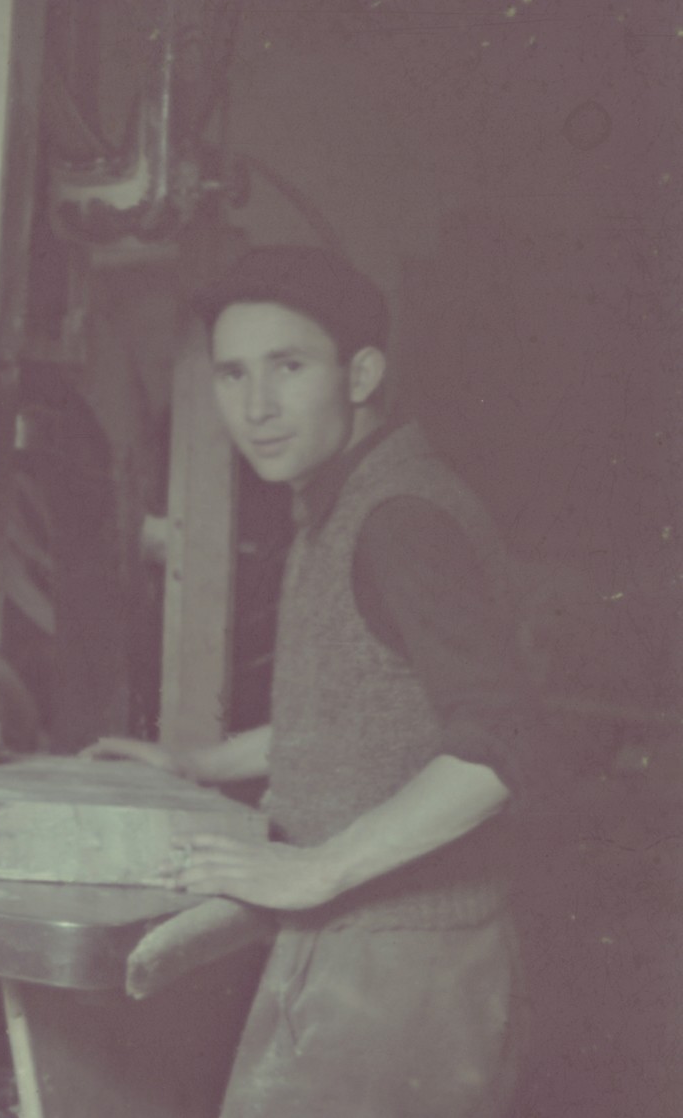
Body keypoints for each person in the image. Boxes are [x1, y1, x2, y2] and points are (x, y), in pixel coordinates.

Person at [91, 245, 537, 1118]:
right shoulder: (341, 497)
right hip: (362, 943)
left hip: (408, 959)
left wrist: (321, 870)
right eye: (231, 375)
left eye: (287, 368)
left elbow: (503, 745)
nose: (254, 408)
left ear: (361, 372)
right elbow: (372, 707)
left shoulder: (398, 519)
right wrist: (201, 764)